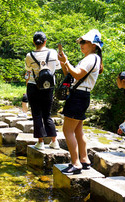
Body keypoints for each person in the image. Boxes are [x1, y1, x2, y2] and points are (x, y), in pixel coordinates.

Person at [58, 29, 103, 174]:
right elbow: (70, 75)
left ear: (94, 45)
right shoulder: (90, 58)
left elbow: (77, 74)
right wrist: (63, 63)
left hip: (78, 97)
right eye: (81, 42)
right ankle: (84, 160)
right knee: (78, 130)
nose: (81, 44)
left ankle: (75, 163)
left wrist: (67, 62)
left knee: (67, 130)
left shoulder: (91, 58)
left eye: (85, 42)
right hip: (82, 96)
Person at [25, 31, 61, 151]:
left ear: (34, 42)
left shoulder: (29, 55)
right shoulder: (53, 52)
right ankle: (54, 142)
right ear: (45, 41)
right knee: (47, 114)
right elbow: (58, 67)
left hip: (33, 86)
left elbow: (28, 69)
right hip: (48, 86)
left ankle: (40, 143)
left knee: (36, 114)